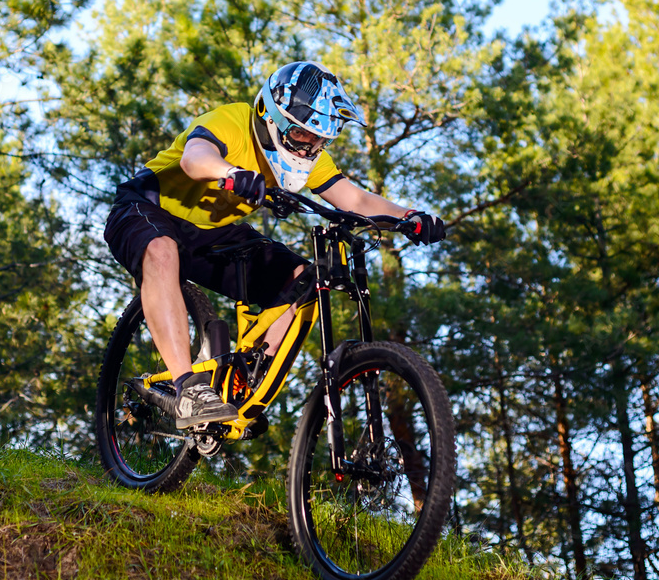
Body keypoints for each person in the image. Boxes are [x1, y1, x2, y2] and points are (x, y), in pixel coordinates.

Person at [104, 61, 445, 431]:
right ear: (273, 118)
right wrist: (230, 173)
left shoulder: (309, 158)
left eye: (319, 141)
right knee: (162, 250)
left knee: (302, 278)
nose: (309, 148)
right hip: (145, 208)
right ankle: (188, 388)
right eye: (301, 135)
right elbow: (194, 157)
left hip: (212, 233)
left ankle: (246, 380)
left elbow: (356, 201)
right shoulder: (233, 121)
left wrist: (410, 217)